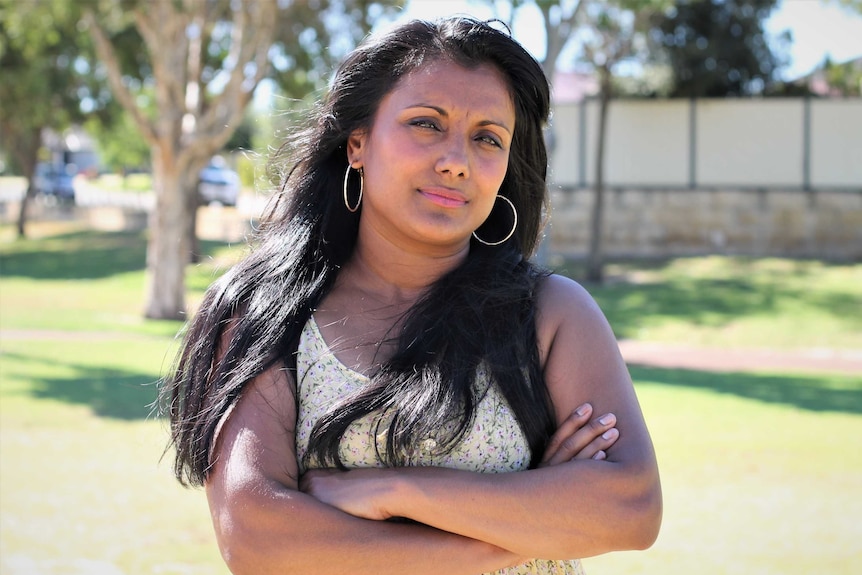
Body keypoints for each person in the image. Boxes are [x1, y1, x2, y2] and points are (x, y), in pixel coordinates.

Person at [162, 16, 661, 575]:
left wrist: (394, 490)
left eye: (487, 138)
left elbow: (632, 507)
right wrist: (531, 521)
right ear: (357, 144)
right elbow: (256, 538)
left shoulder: (552, 315)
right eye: (427, 124)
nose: (456, 160)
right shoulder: (269, 316)